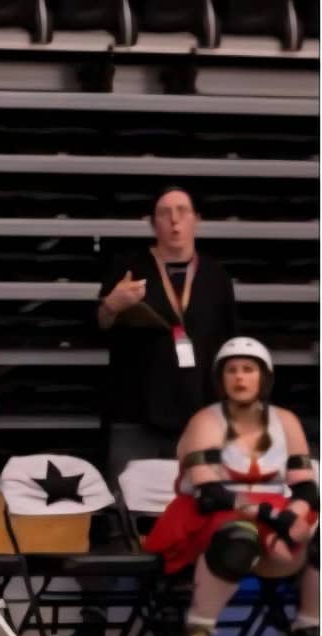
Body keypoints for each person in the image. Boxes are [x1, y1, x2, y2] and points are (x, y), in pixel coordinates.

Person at [142, 338, 318, 636]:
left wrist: (292, 516)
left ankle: (307, 632)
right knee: (238, 540)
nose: (239, 377)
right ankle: (196, 635)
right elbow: (210, 493)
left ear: (264, 377)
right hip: (211, 512)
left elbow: (307, 488)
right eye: (231, 370)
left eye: (248, 369)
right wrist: (272, 516)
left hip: (272, 512)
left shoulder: (285, 421)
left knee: (316, 538)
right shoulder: (206, 421)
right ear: (220, 379)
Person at [98, 188, 239, 484]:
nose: (174, 220)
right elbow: (96, 329)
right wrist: (111, 305)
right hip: (134, 414)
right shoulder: (129, 270)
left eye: (182, 211)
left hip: (199, 415)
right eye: (164, 213)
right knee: (128, 502)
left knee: (198, 500)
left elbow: (229, 346)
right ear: (153, 224)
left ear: (196, 219)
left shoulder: (216, 277)